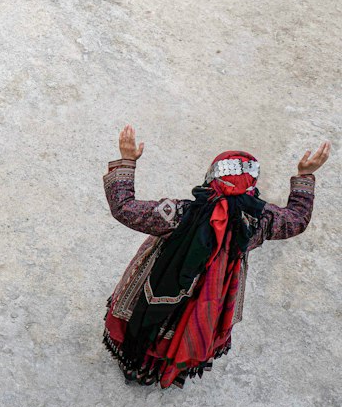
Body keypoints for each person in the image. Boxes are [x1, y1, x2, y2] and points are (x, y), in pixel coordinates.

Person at [103, 125, 329, 388]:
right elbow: (297, 219)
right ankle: (167, 370)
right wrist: (305, 175)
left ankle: (135, 368)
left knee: (148, 318)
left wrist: (127, 159)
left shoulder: (178, 214)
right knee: (190, 326)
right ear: (251, 188)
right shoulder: (258, 221)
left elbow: (124, 208)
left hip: (161, 284)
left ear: (211, 179)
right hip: (215, 294)